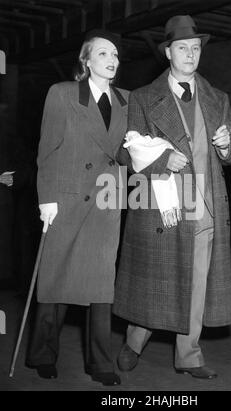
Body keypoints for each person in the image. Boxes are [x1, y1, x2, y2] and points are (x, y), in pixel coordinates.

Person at [113, 15, 231, 379]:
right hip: (164, 208)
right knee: (156, 283)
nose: (190, 54)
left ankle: (189, 356)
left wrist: (227, 145)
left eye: (196, 48)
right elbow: (127, 154)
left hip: (206, 207)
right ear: (168, 52)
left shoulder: (218, 98)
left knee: (198, 285)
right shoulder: (142, 98)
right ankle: (134, 341)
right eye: (183, 48)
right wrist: (161, 158)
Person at [26, 30, 128, 386]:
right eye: (102, 53)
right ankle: (42, 355)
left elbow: (130, 153)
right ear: (86, 61)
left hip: (105, 203)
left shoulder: (127, 100)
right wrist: (46, 198)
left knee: (101, 289)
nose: (111, 58)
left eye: (115, 53)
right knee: (56, 282)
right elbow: (48, 149)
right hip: (65, 201)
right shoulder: (63, 93)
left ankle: (100, 364)